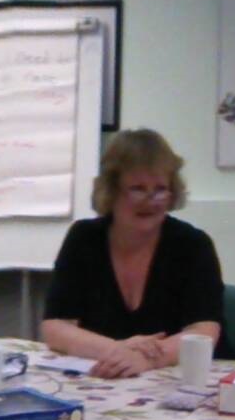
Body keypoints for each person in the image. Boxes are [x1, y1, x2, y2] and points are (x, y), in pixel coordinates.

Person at [42, 129, 224, 379]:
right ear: (112, 190)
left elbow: (204, 330)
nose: (150, 201)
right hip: (107, 378)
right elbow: (55, 326)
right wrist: (118, 350)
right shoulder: (84, 238)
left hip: (180, 381)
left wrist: (148, 358)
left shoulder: (193, 244)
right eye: (138, 189)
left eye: (160, 189)